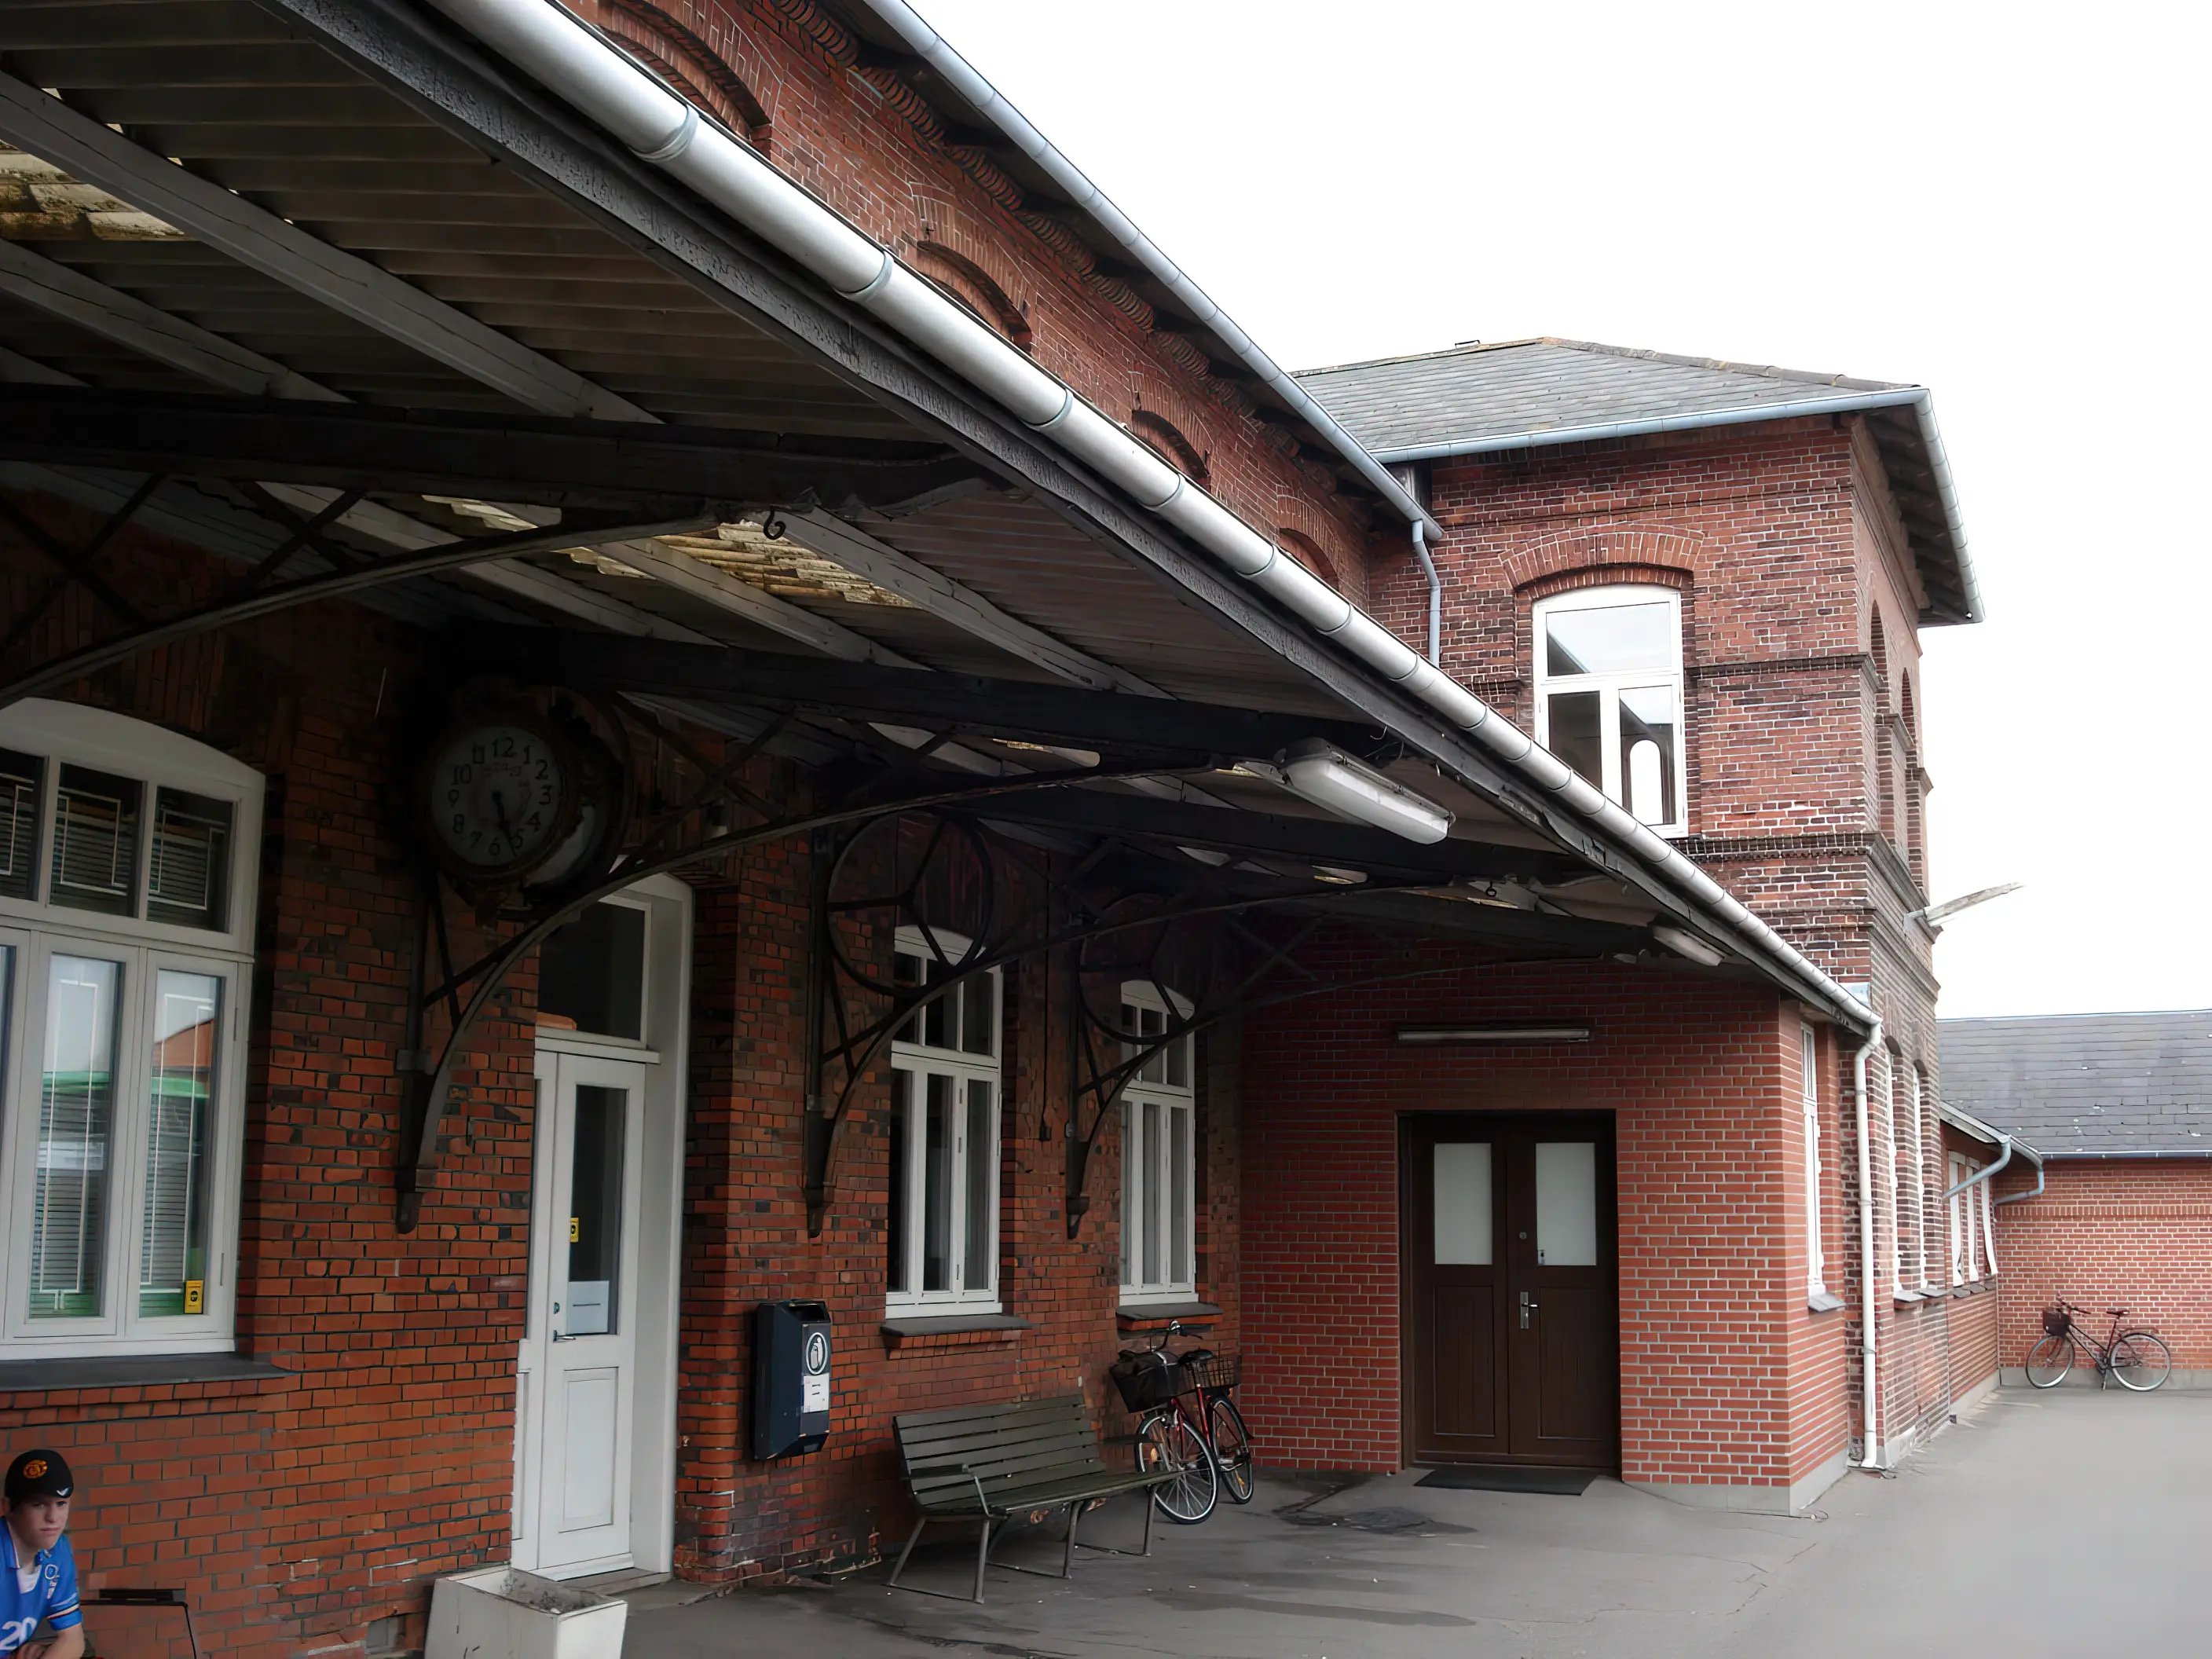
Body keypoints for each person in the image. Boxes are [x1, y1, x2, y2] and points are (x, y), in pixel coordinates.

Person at [2, 1451, 82, 1659]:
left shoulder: (58, 1551)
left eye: (61, 1504)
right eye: (38, 1504)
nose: (53, 1518)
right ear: (8, 1507)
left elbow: (73, 1640)